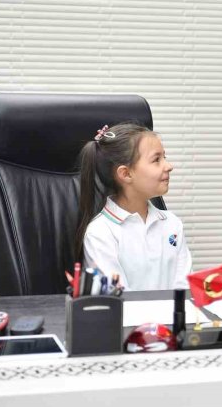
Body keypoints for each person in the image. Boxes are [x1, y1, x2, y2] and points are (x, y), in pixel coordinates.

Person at [75, 122, 192, 290]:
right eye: (156, 160)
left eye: (164, 157)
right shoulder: (100, 233)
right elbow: (120, 297)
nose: (169, 166)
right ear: (126, 173)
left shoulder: (172, 224)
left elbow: (185, 288)